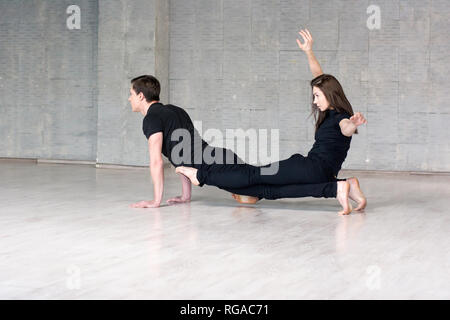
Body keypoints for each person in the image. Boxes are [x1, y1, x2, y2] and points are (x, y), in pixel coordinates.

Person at [175, 29, 367, 215]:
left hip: (310, 168)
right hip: (324, 173)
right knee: (272, 191)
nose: (314, 101)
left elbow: (346, 128)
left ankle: (200, 176)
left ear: (329, 94)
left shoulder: (341, 117)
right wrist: (309, 52)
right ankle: (343, 186)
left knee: (254, 174)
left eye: (317, 96)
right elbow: (320, 79)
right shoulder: (332, 111)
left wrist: (353, 124)